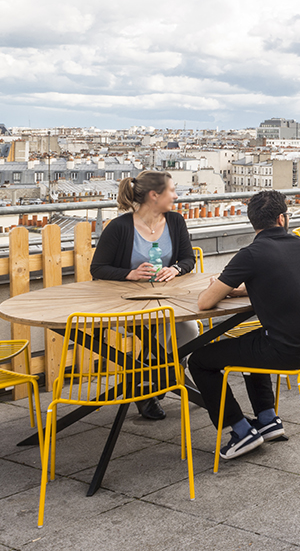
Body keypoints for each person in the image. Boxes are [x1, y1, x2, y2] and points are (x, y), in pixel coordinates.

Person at [189, 190, 300, 461]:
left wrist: (224, 289)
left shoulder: (251, 254)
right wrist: (241, 291)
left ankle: (240, 430)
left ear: (252, 222)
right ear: (282, 219)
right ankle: (267, 418)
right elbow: (282, 282)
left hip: (287, 350)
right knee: (253, 341)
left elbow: (204, 303)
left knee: (199, 360)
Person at [91, 170, 197, 421]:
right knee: (159, 331)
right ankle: (150, 387)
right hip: (126, 305)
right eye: (171, 190)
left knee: (190, 331)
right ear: (154, 195)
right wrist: (129, 274)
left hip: (166, 298)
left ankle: (159, 378)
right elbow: (97, 268)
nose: (176, 195)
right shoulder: (119, 227)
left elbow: (188, 258)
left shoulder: (175, 221)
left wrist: (176, 269)